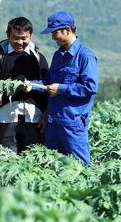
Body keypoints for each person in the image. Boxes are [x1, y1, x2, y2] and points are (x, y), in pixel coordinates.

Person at [24, 11, 98, 166]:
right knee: (55, 167)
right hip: (53, 122)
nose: (53, 37)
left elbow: (90, 87)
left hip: (72, 123)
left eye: (55, 32)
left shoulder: (85, 56)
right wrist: (32, 86)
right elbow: (48, 82)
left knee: (80, 168)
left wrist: (61, 89)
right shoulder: (58, 55)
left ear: (68, 30)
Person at [0, 17, 49, 154]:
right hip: (7, 115)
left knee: (33, 157)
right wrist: (13, 86)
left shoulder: (38, 58)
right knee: (6, 157)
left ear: (31, 35)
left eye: (24, 38)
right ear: (8, 35)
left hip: (34, 116)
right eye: (15, 38)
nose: (20, 42)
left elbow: (47, 86)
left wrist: (46, 113)